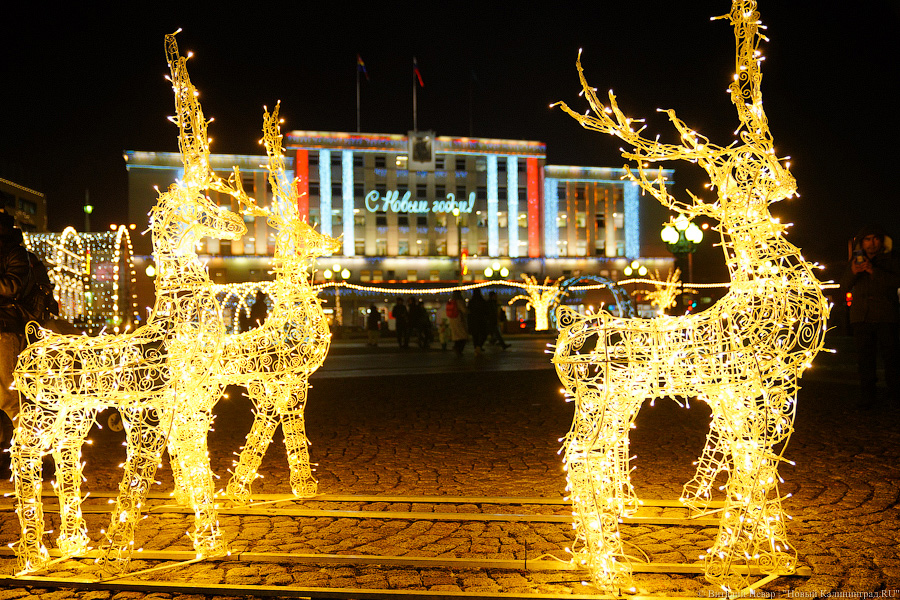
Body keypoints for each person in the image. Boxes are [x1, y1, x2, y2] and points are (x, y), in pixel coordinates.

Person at [840, 226, 900, 409]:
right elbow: (843, 287)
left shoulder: (892, 259)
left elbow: (895, 283)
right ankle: (868, 396)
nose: (872, 243)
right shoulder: (855, 260)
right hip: (861, 317)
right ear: (861, 242)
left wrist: (874, 271)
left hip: (885, 315)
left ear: (882, 241)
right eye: (867, 239)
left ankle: (895, 394)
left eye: (875, 239)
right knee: (865, 359)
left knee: (892, 358)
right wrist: (853, 272)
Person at [0, 212, 32, 449]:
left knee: (9, 396)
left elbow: (12, 286)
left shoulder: (15, 252)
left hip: (6, 328)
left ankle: (31, 452)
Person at [467, 289, 490, 357]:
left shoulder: (471, 302)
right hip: (481, 320)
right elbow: (486, 311)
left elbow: (469, 312)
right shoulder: (482, 301)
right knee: (484, 334)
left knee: (475, 336)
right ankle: (479, 346)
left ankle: (476, 348)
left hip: (473, 321)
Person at [446, 290, 468, 355]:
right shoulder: (459, 301)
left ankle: (457, 348)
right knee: (463, 336)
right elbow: (464, 310)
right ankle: (458, 350)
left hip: (452, 320)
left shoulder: (451, 301)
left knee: (456, 336)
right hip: (459, 320)